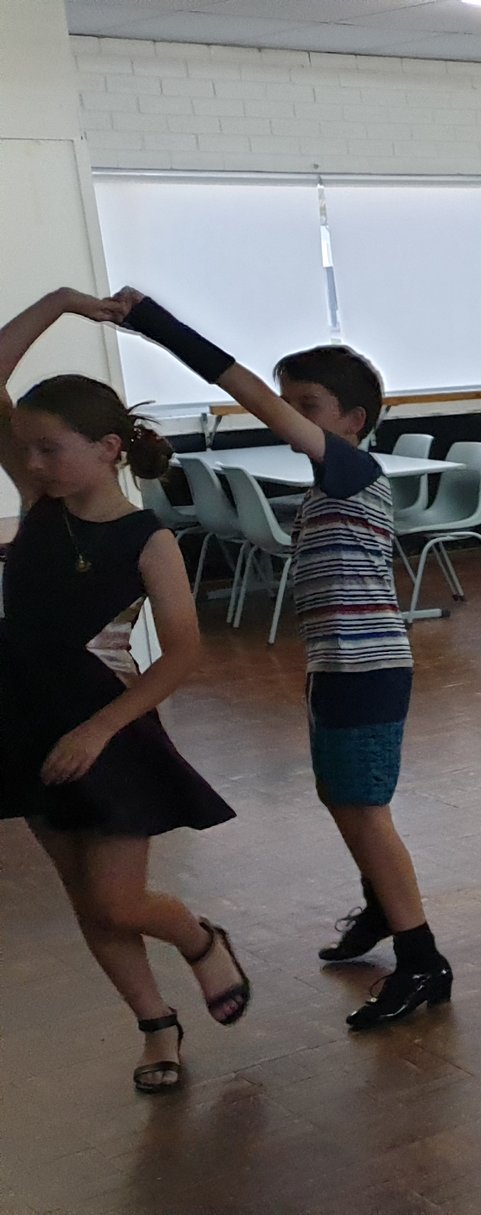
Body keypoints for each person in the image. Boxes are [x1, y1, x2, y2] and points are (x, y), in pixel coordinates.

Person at [113, 292, 453, 1030]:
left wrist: (153, 323)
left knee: (364, 810)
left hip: (365, 668)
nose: (290, 412)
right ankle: (379, 907)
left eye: (308, 403)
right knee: (345, 800)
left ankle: (422, 959)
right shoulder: (332, 479)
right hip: (336, 666)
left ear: (353, 421)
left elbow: (241, 386)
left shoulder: (353, 467)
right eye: (292, 400)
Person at [1, 287, 250, 1093]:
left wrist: (99, 730)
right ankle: (156, 1027)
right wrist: (63, 304)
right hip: (23, 719)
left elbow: (182, 654)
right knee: (85, 898)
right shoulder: (40, 505)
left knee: (117, 899)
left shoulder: (149, 540)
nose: (32, 464)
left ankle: (198, 936)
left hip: (105, 727)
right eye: (26, 450)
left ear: (109, 448)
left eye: (50, 449)